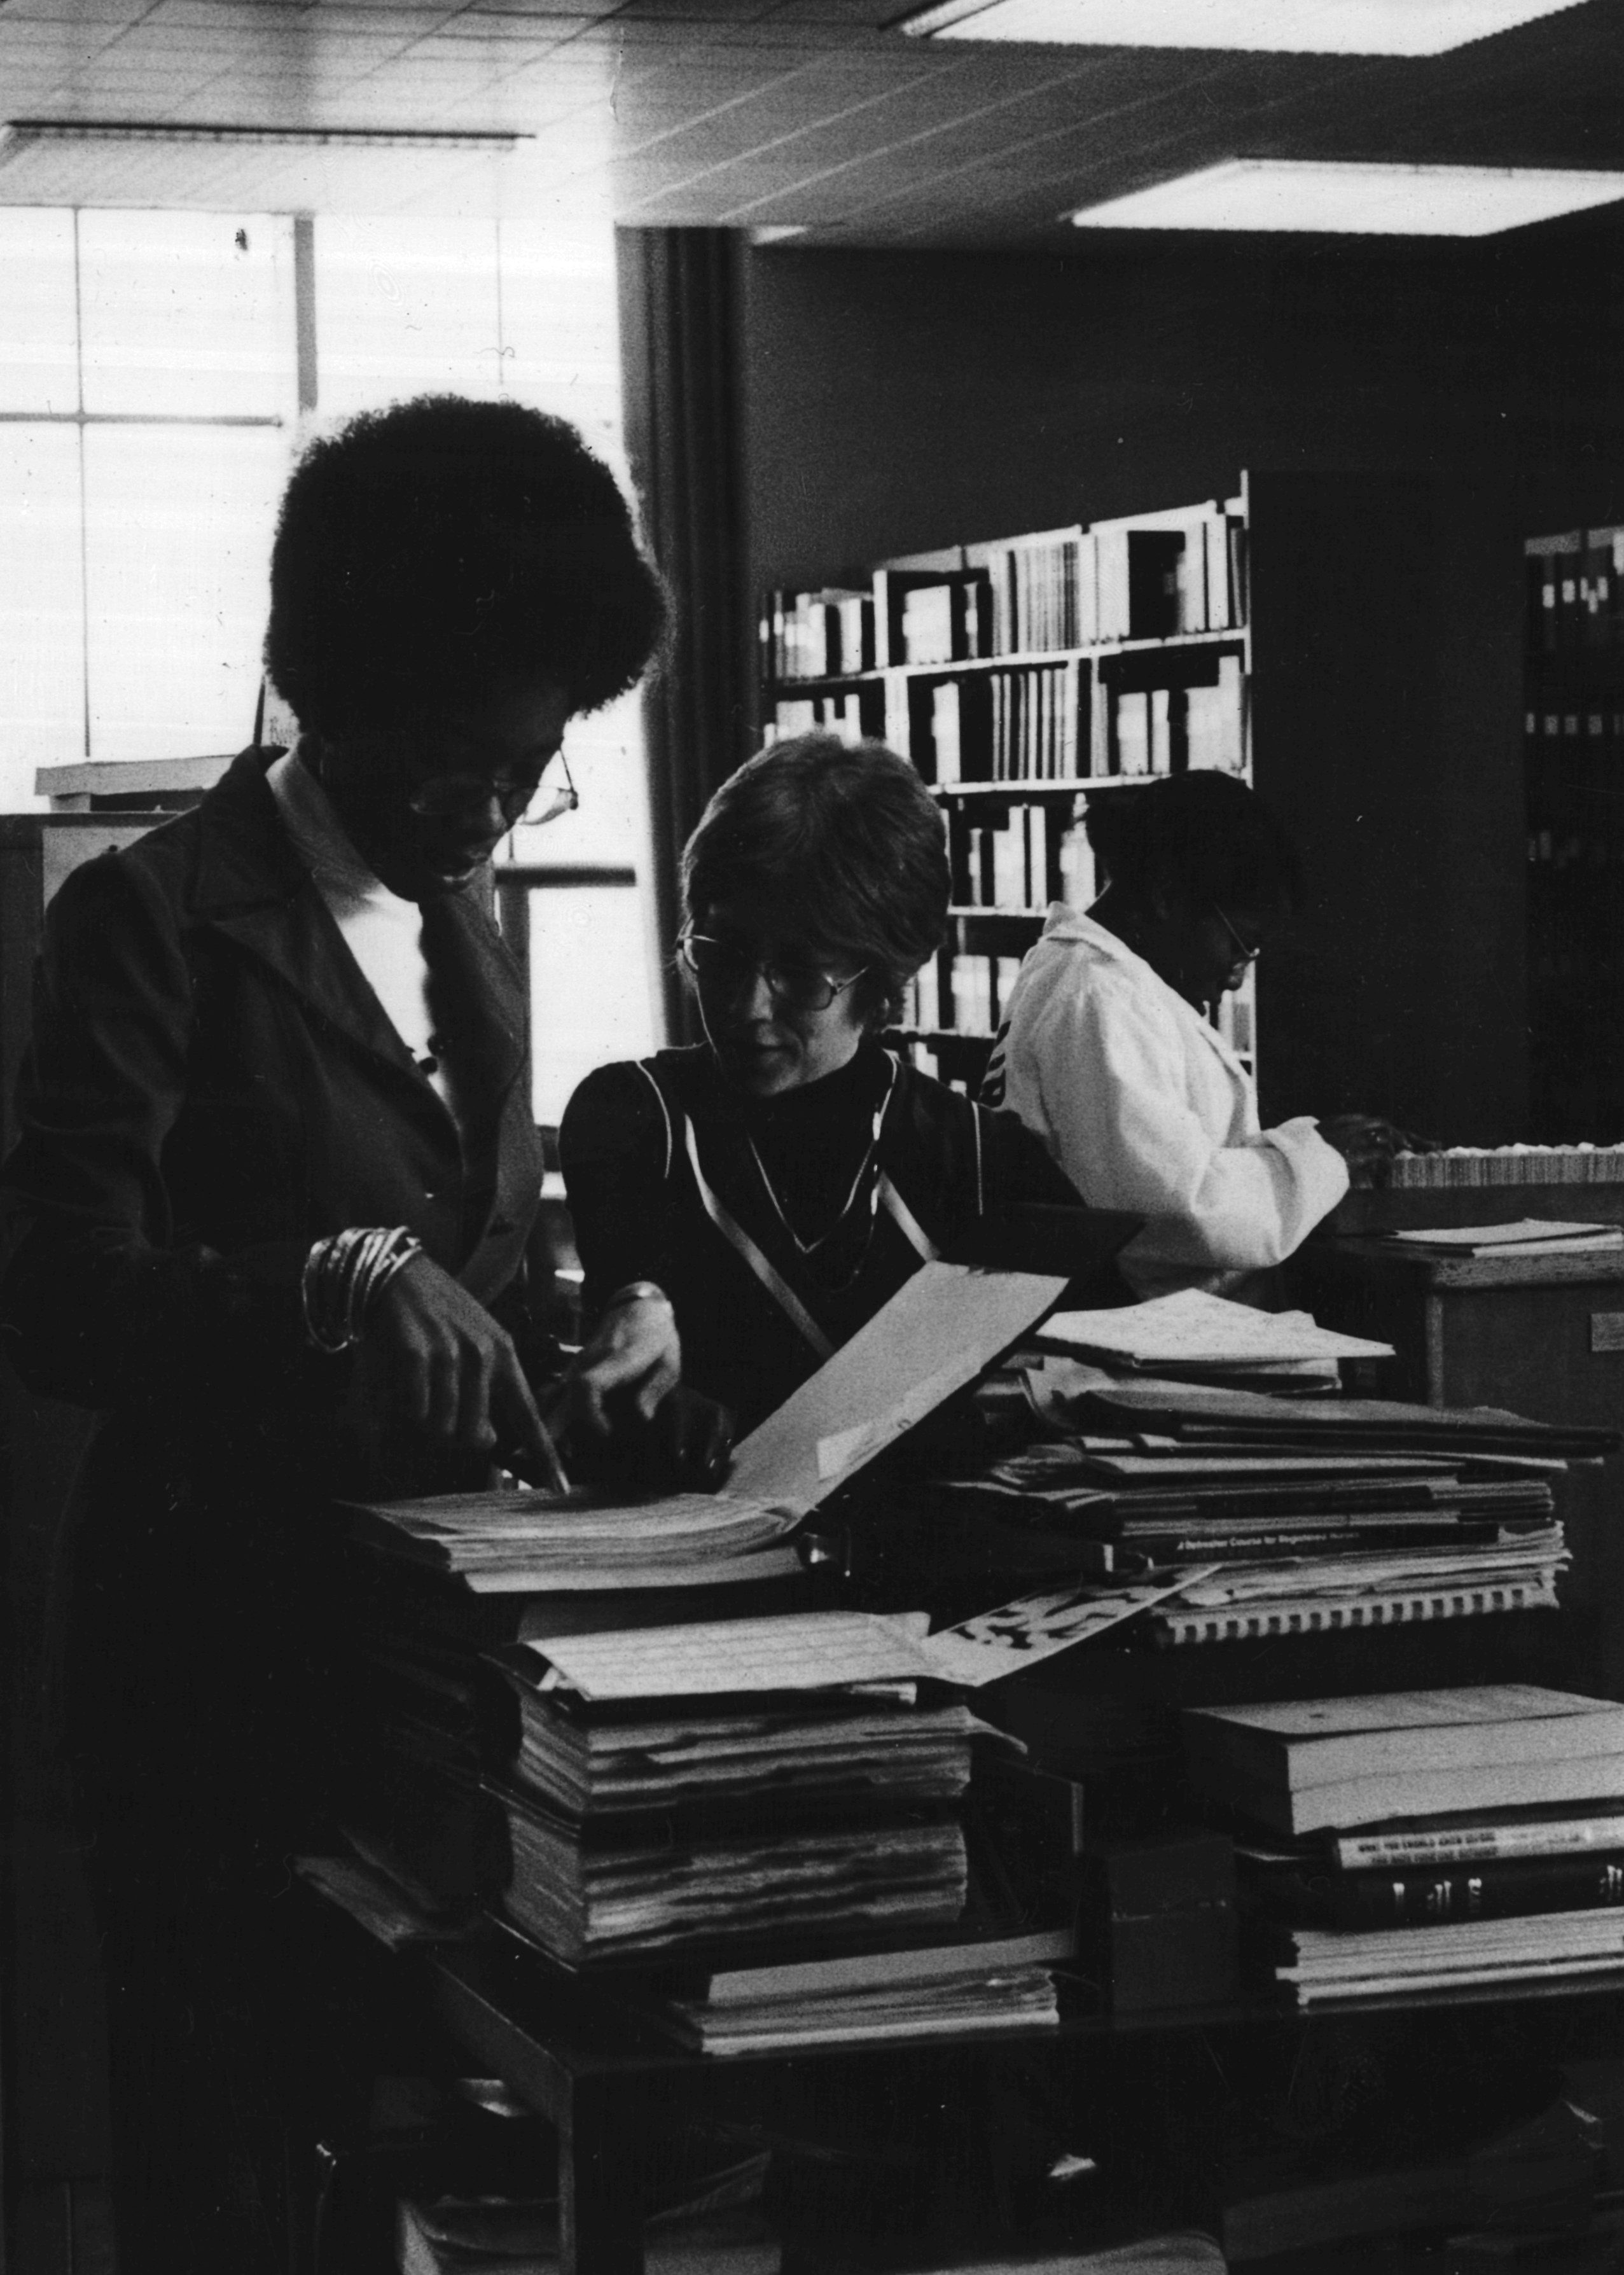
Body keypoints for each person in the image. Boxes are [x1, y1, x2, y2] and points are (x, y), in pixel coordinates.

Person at [0, 396, 684, 2272]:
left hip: (421, 1674)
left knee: (428, 2174)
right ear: (339, 693)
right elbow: (56, 1290)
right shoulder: (146, 921)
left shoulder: (467, 929)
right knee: (227, 2184)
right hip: (212, 1673)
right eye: (461, 762)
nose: (492, 810)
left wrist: (597, 1333)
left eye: (532, 766)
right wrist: (332, 1274)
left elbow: (477, 1279)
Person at [561, 732, 1085, 1433]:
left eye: (799, 971)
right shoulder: (636, 1115)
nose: (748, 1007)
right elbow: (629, 1279)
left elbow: (1108, 1360)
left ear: (884, 980)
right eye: (723, 955)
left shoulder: (981, 1157)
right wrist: (640, 1313)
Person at [983, 770, 1404, 1300]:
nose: (1236, 977)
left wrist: (1312, 1149)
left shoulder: (1090, 977)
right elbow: (1176, 1208)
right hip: (1125, 1327)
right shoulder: (1098, 995)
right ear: (1166, 898)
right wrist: (1319, 1158)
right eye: (1239, 945)